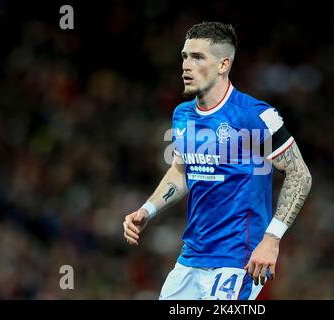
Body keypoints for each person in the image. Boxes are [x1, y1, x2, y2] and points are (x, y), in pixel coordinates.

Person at [123, 21, 312, 300]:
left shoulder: (254, 115)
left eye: (197, 57)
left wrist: (272, 239)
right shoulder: (182, 114)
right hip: (191, 257)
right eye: (184, 56)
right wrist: (148, 210)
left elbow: (299, 174)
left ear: (223, 65)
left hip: (238, 260)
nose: (186, 65)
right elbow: (181, 171)